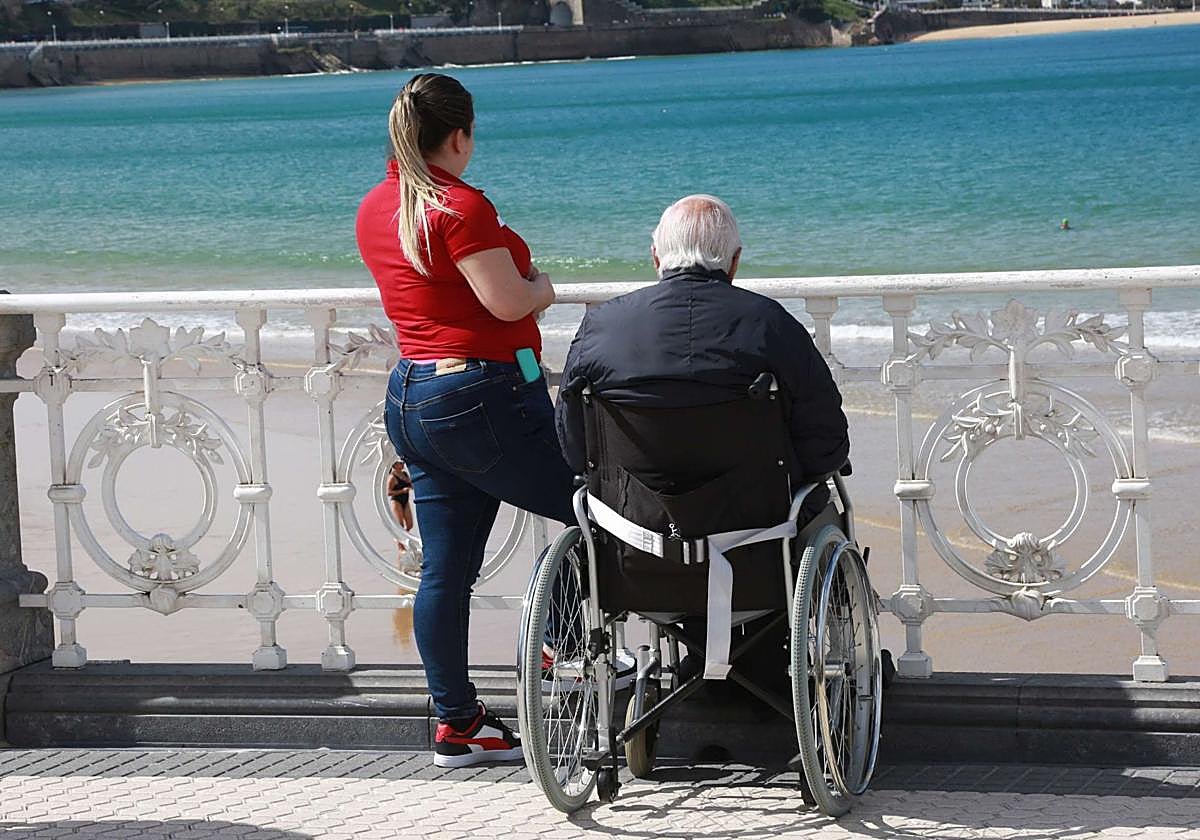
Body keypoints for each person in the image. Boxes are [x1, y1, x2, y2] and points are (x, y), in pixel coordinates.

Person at [356, 73, 578, 768]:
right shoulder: (459, 207)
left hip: (412, 395)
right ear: (459, 135)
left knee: (445, 572)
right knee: (598, 504)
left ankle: (459, 725)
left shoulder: (375, 206)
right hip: (481, 394)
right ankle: (565, 646)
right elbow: (508, 302)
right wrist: (546, 286)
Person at [555, 194, 851, 703]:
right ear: (735, 262)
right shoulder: (770, 326)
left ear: (654, 257)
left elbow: (575, 448)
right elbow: (827, 444)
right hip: (760, 556)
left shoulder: (602, 328)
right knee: (829, 506)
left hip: (636, 556)